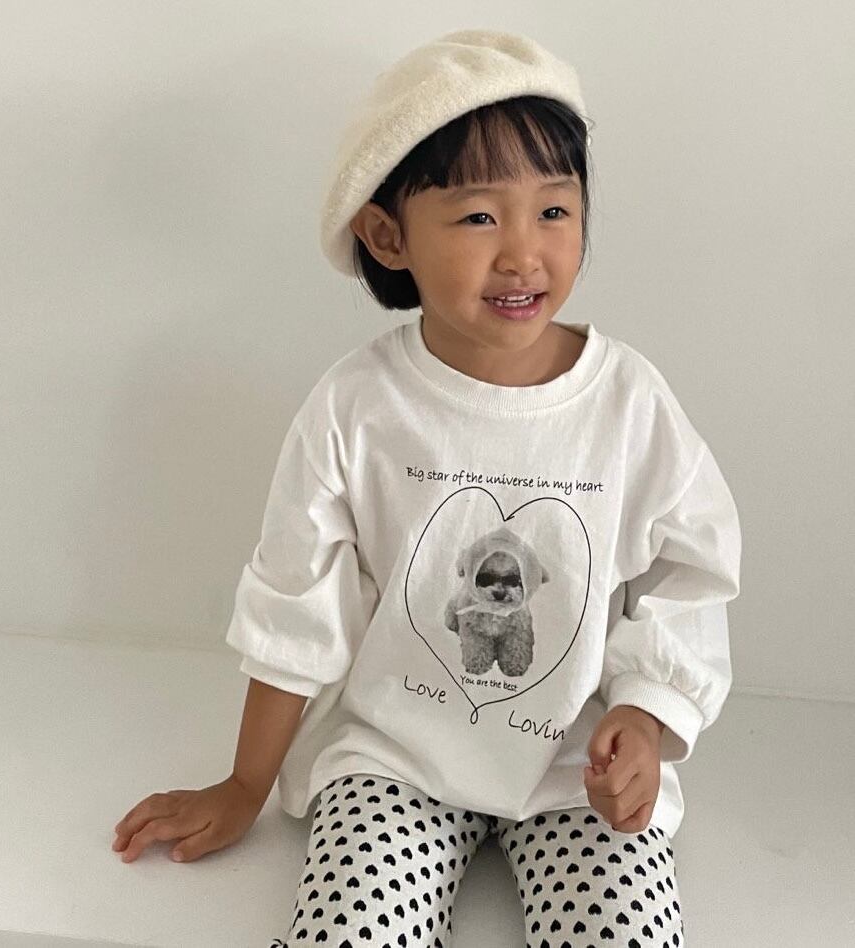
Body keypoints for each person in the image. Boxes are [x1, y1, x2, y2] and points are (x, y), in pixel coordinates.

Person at [111, 29, 742, 948]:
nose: (523, 253)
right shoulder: (357, 408)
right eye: (479, 217)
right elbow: (297, 604)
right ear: (387, 235)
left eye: (554, 210)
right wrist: (246, 783)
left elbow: (689, 576)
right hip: (394, 760)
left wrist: (646, 718)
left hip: (578, 767)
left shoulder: (629, 405)